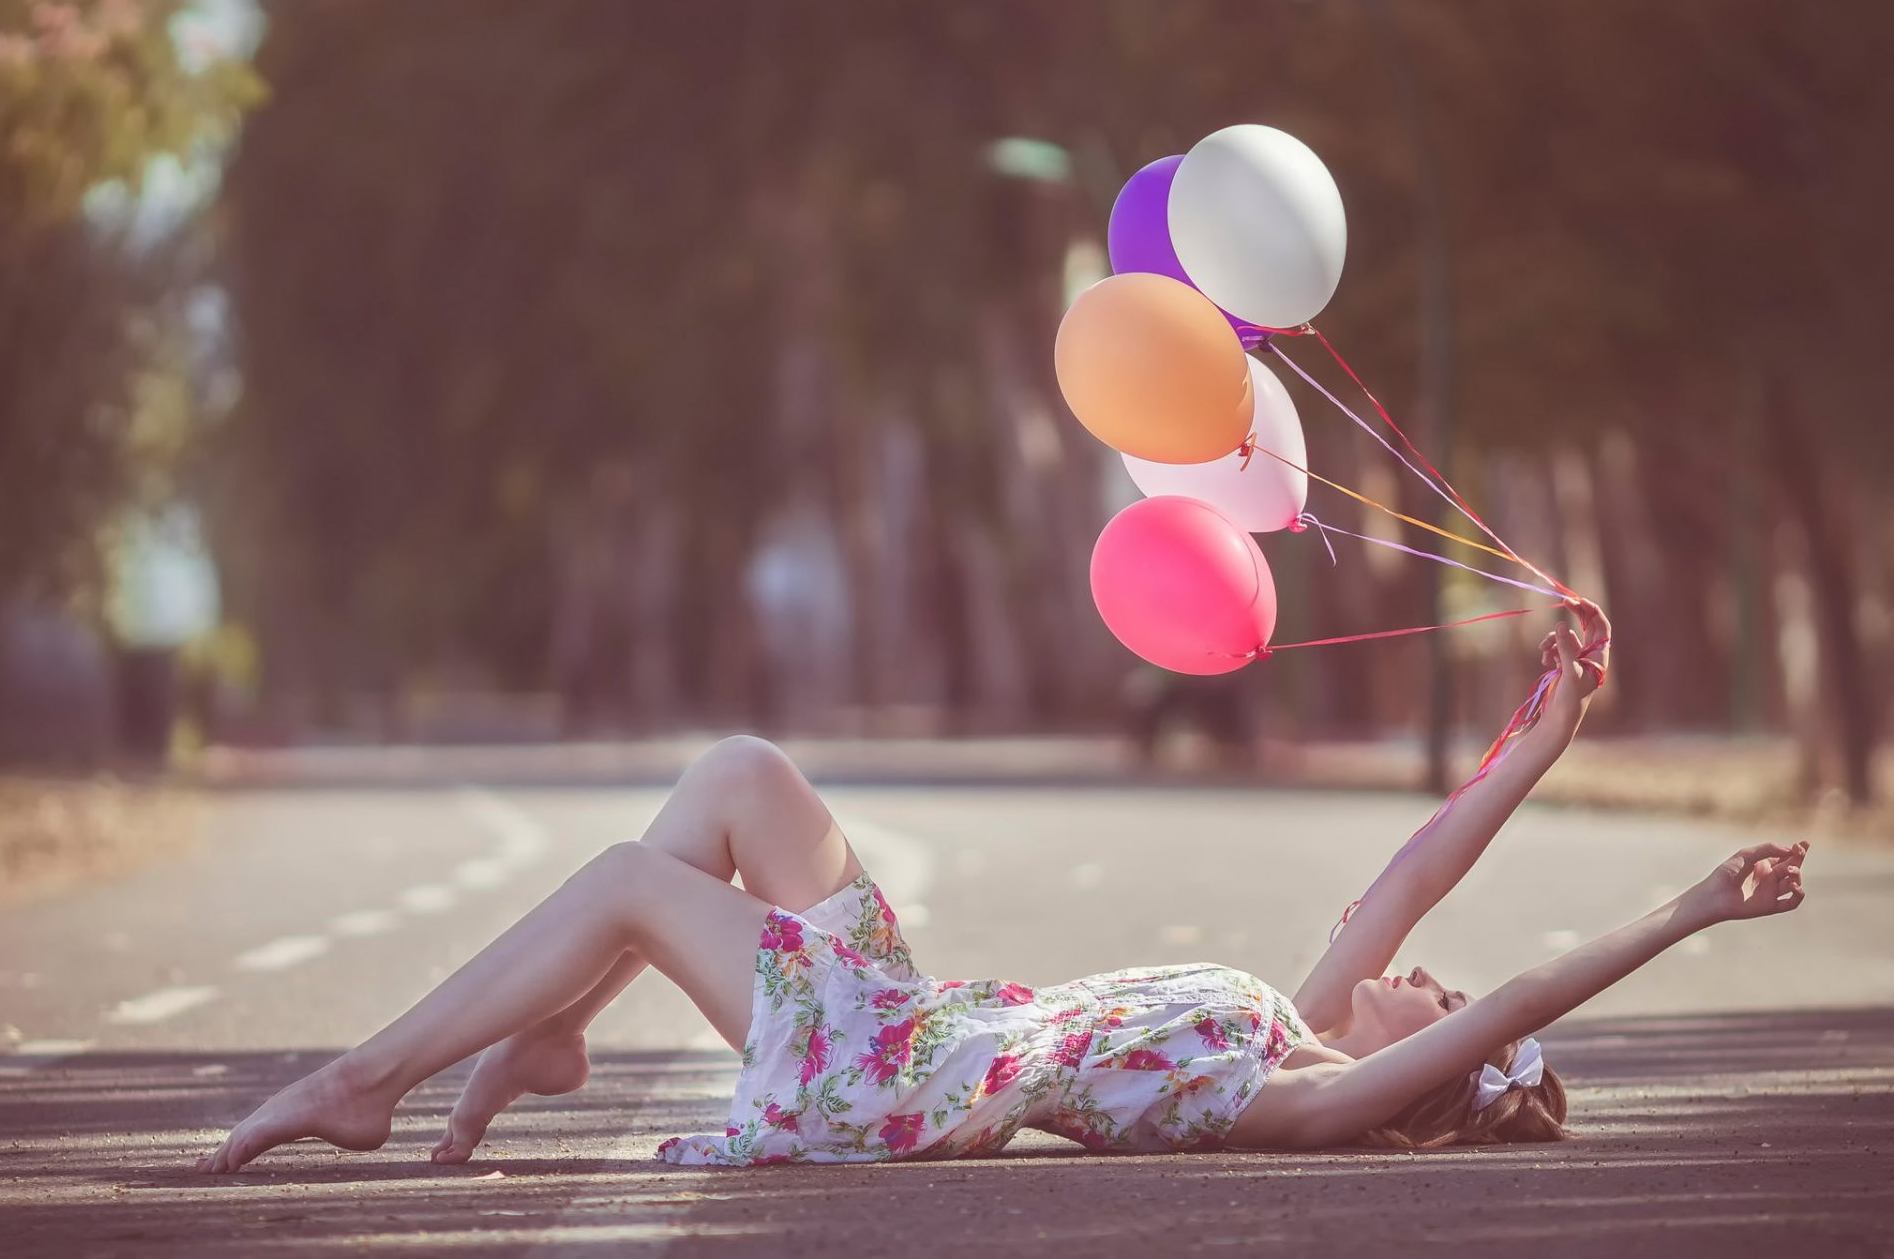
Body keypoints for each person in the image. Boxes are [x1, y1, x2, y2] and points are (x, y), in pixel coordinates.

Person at [196, 604, 1808, 1171]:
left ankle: (366, 1083)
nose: (1431, 982)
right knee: (743, 771)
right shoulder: (1295, 1025)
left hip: (885, 1091)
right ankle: (536, 1046)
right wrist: (1553, 723)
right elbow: (1412, 868)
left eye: (1443, 1018)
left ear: (1430, 1078)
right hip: (914, 1026)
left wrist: (1687, 912)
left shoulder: (1304, 1103)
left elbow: (1519, 1002)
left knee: (632, 875)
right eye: (1438, 991)